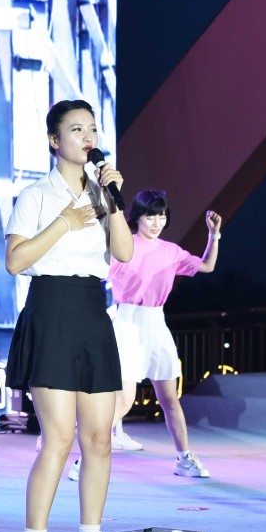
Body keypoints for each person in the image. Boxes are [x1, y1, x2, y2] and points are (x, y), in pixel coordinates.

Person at [3, 99, 131, 532]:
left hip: (92, 311)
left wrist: (112, 200)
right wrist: (64, 222)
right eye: (76, 129)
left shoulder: (102, 193)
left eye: (92, 128)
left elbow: (125, 253)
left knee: (99, 438)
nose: (87, 137)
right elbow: (15, 262)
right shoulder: (36, 195)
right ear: (54, 140)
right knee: (57, 437)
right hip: (51, 310)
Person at [83, 190, 220, 477]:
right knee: (123, 400)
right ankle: (86, 459)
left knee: (170, 399)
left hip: (157, 323)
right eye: (150, 216)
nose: (157, 222)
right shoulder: (125, 247)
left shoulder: (171, 251)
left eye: (161, 216)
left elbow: (207, 266)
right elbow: (95, 275)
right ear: (137, 218)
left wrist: (213, 235)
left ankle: (184, 459)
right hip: (127, 322)